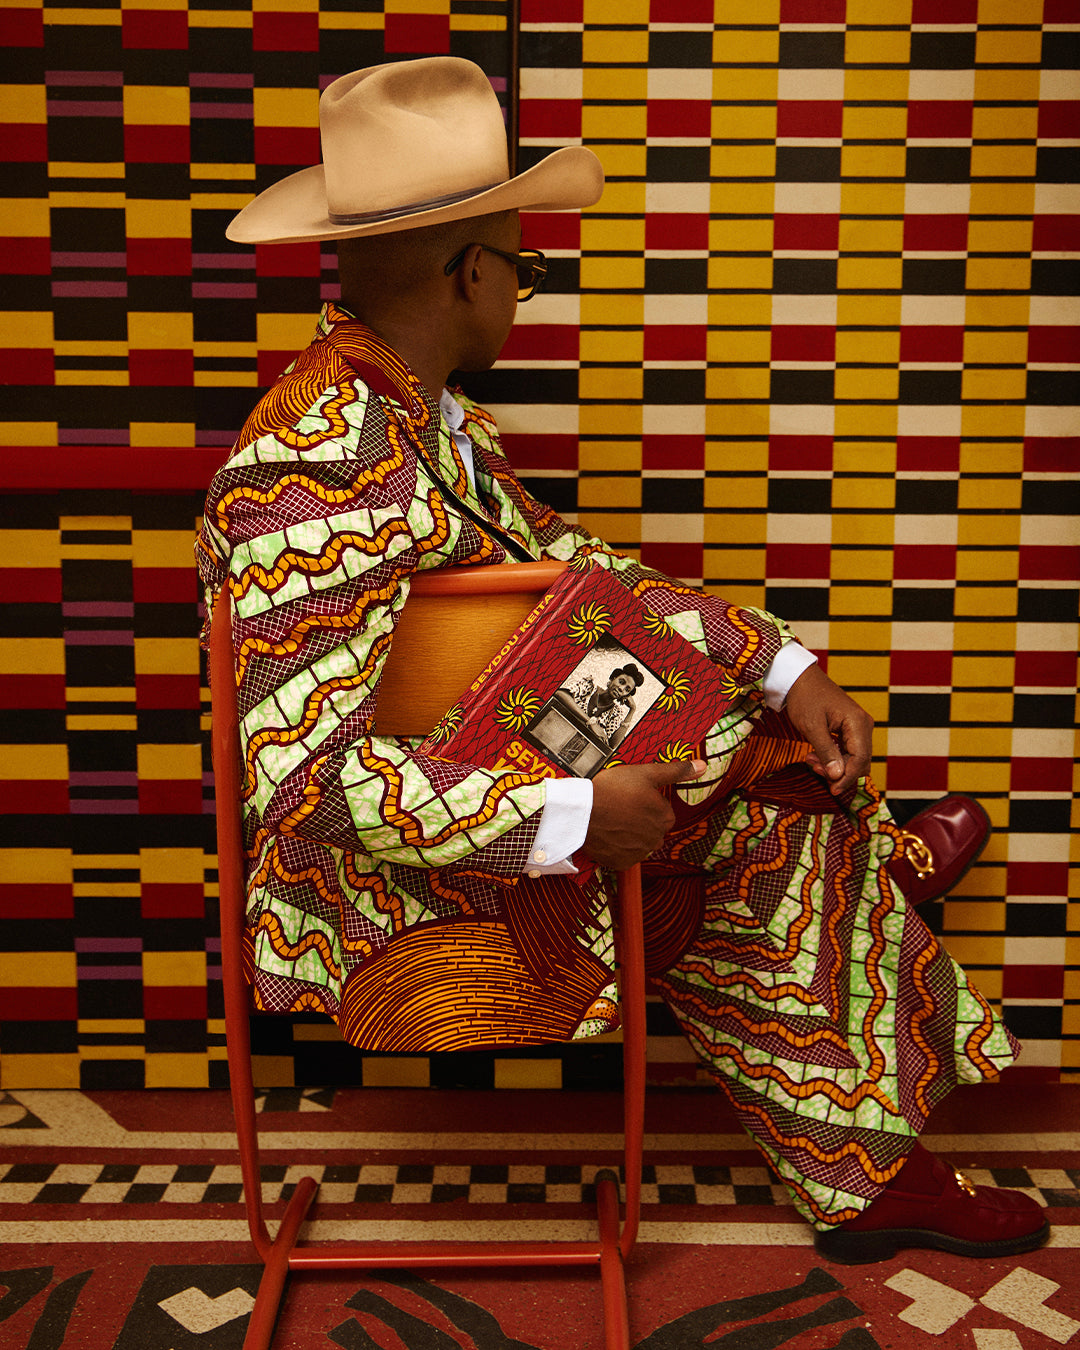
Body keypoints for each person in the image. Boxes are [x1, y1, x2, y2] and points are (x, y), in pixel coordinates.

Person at [198, 56, 1049, 1264]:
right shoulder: (318, 466)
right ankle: (866, 1164)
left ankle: (862, 895)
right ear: (471, 270)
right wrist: (574, 818)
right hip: (384, 903)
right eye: (529, 266)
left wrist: (783, 666)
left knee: (754, 743)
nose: (528, 294)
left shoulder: (410, 413)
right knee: (768, 834)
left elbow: (576, 575)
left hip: (470, 789)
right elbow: (301, 784)